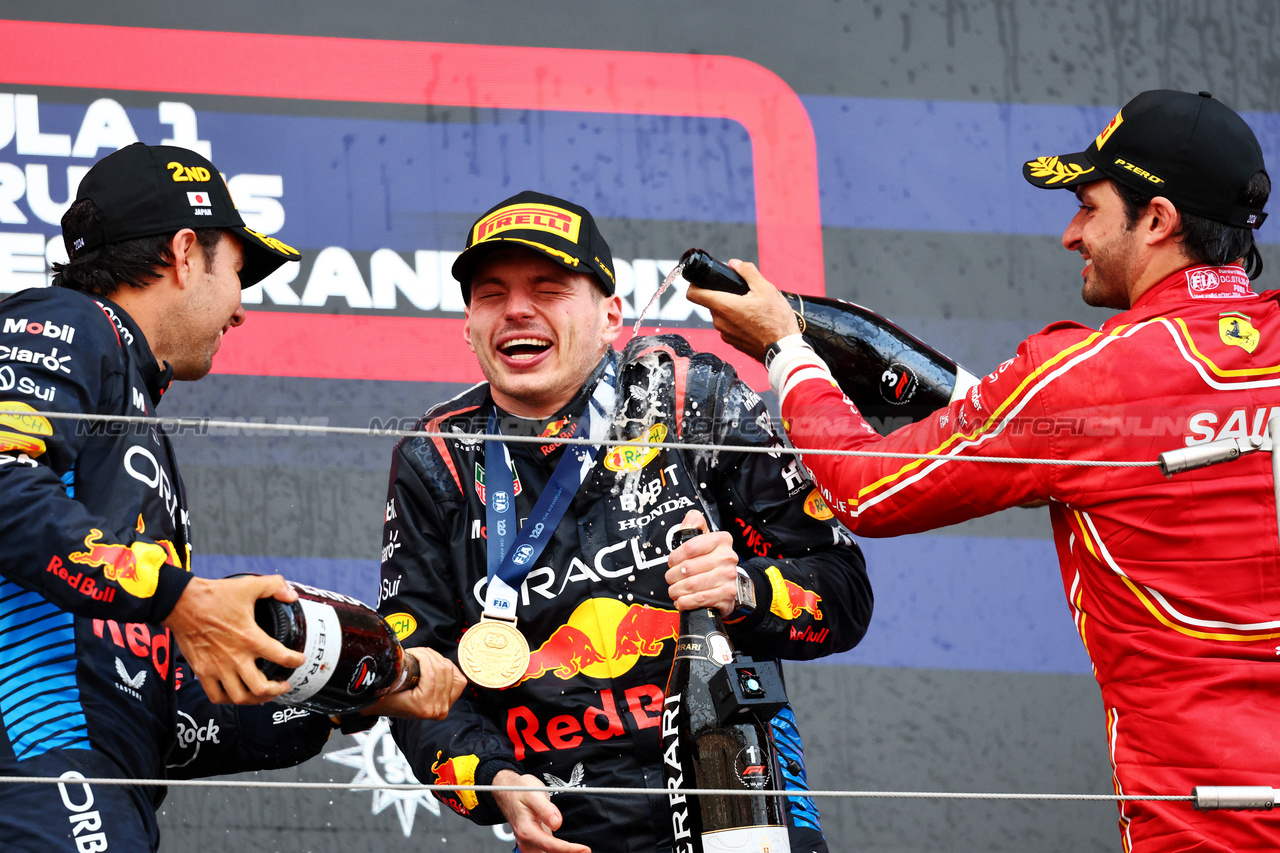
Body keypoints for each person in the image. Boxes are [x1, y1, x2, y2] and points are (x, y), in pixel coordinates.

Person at [689, 89, 1280, 851]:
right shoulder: (1084, 398)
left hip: (1203, 830)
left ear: (1158, 220)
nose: (1071, 234)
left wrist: (784, 346)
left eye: (1089, 207)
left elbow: (863, 489)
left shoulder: (1085, 380)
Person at [0, 142, 464, 851]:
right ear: (186, 254)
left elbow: (171, 722)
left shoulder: (135, 423)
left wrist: (350, 696)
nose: (241, 310)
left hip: (100, 795)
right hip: (37, 771)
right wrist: (181, 597)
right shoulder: (68, 322)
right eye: (239, 273)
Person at [378, 190, 873, 853]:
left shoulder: (695, 399)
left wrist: (744, 589)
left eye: (548, 287)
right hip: (570, 833)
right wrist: (491, 776)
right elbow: (417, 669)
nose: (517, 309)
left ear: (611, 313)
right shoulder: (437, 456)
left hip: (744, 808)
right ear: (468, 322)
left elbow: (843, 592)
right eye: (491, 294)